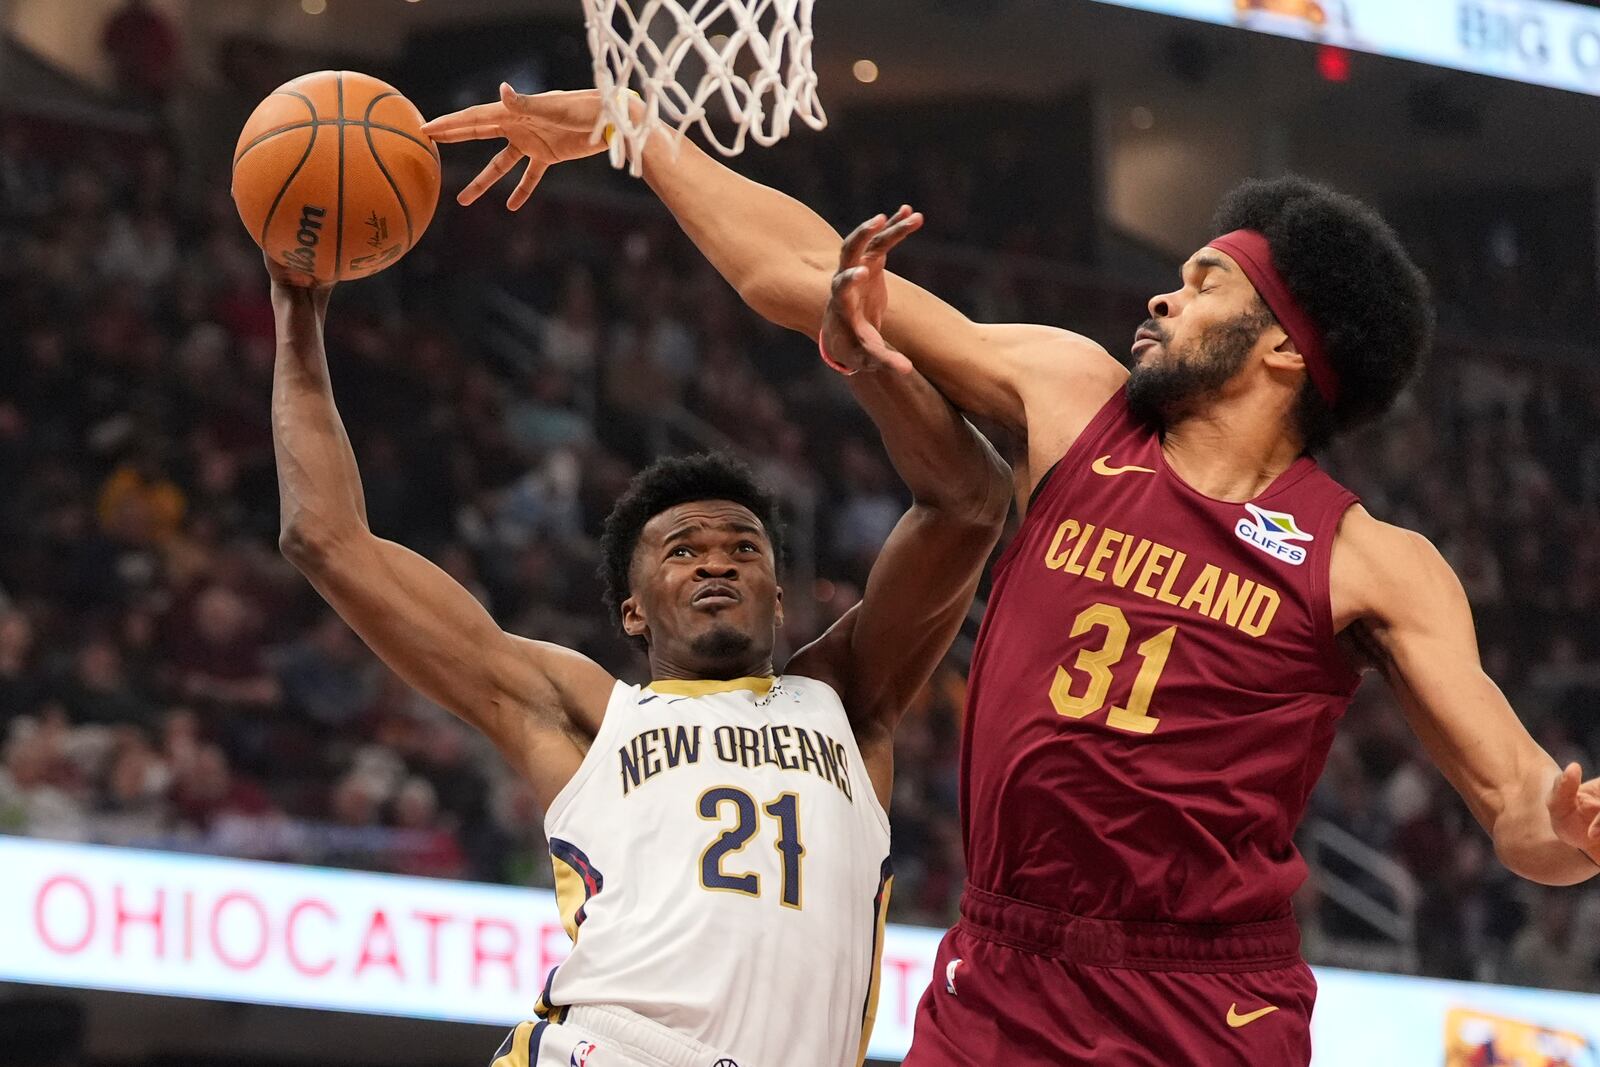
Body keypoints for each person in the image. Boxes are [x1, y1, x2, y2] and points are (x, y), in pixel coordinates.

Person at [423, 88, 1600, 1065]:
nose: (1162, 294)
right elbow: (802, 270)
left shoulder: (1369, 557)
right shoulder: (1071, 398)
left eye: (1202, 283)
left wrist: (1564, 823)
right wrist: (638, 131)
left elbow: (1513, 808)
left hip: (1201, 1000)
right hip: (1003, 962)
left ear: (1284, 346)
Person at [266, 211, 1009, 1067]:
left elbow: (969, 503)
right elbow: (325, 537)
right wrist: (295, 314)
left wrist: (863, 360)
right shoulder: (584, 714)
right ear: (632, 609)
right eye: (683, 551)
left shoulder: (845, 699)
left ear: (778, 600)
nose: (716, 565)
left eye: (743, 548)